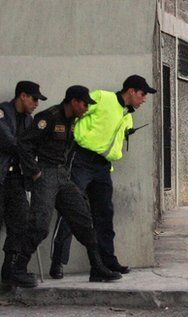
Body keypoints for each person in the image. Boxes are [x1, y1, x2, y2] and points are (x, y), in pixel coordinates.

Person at [7, 86, 122, 288]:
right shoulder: (49, 117)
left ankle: (97, 267)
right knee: (40, 225)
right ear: (74, 101)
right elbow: (24, 144)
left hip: (61, 175)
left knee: (83, 218)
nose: (86, 108)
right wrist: (34, 171)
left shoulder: (72, 121)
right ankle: (17, 270)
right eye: (84, 103)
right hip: (46, 174)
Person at [50, 75, 156, 279]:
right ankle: (57, 262)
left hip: (103, 167)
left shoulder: (128, 115)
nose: (144, 99)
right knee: (70, 210)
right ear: (131, 91)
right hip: (81, 159)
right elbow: (75, 114)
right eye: (143, 94)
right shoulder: (102, 98)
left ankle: (106, 262)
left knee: (104, 215)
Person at [0, 81, 46, 286]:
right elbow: (8, 141)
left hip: (16, 179)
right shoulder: (2, 112)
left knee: (20, 222)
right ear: (23, 96)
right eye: (34, 98)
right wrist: (27, 151)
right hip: (1, 176)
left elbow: (33, 146)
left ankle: (10, 270)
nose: (37, 103)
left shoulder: (29, 121)